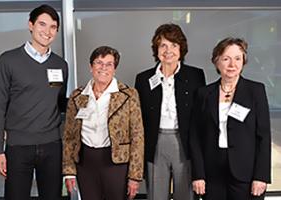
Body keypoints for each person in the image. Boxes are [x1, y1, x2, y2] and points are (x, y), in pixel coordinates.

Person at [0, 4, 68, 200]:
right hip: (18, 147)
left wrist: (87, 99)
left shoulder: (60, 65)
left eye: (53, 27)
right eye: (42, 24)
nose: (47, 31)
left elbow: (59, 103)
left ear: (57, 31)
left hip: (52, 146)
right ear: (30, 25)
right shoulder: (8, 60)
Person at [190, 37, 271, 200]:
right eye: (226, 59)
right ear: (216, 62)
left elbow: (264, 136)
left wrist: (261, 176)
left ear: (243, 62)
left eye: (237, 59)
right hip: (211, 174)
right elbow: (195, 137)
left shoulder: (256, 91)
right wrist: (198, 174)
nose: (232, 65)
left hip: (246, 173)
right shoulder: (204, 94)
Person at [62, 46, 144, 200]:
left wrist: (135, 176)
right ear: (91, 66)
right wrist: (69, 171)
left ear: (115, 69)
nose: (103, 68)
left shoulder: (128, 95)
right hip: (85, 163)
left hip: (116, 164)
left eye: (109, 64)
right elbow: (69, 136)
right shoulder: (77, 96)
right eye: (99, 63)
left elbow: (137, 136)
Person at [135, 23, 206, 200]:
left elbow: (201, 117)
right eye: (163, 45)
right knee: (156, 195)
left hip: (185, 142)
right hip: (155, 142)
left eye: (174, 45)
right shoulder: (143, 79)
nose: (168, 50)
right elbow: (139, 120)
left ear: (181, 49)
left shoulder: (196, 76)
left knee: (185, 195)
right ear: (156, 49)